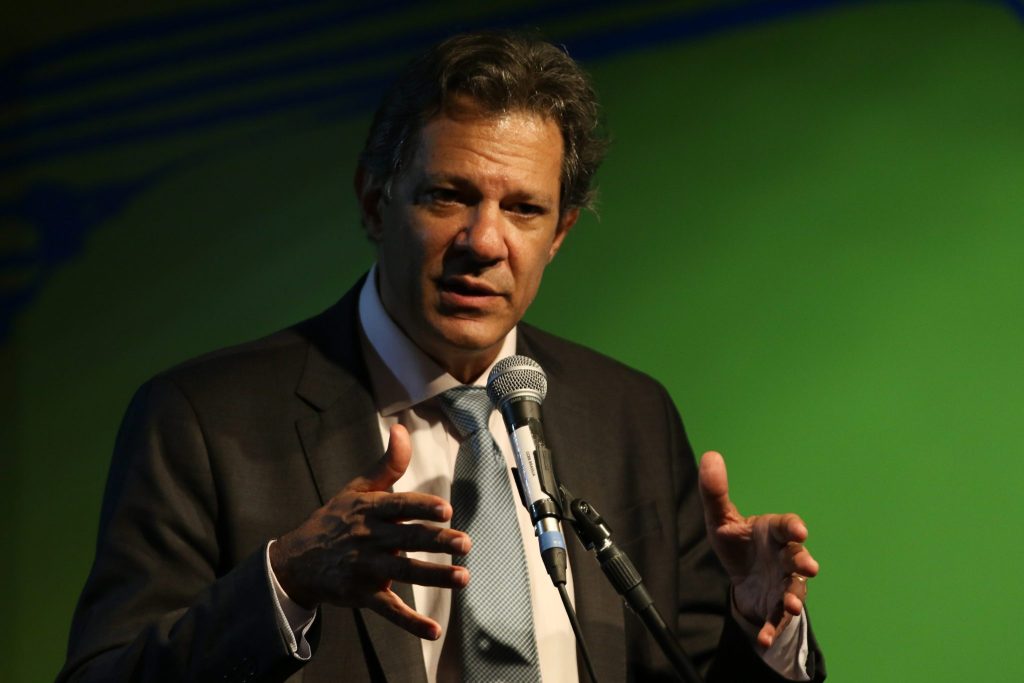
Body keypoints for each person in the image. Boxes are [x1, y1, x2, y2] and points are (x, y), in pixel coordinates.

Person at [59, 31, 825, 682]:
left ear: (559, 234)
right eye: (448, 196)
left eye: (523, 208)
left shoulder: (628, 416)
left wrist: (758, 625)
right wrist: (286, 579)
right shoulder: (202, 420)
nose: (484, 241)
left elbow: (688, 667)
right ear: (375, 201)